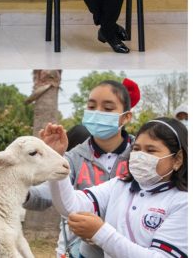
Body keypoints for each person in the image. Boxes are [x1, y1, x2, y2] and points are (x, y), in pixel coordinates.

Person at [25, 78, 140, 256]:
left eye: (108, 109)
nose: (98, 113)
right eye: (92, 107)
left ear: (126, 116)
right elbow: (48, 193)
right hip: (78, 250)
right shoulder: (72, 159)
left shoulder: (140, 158)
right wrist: (20, 190)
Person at [40, 117, 186, 257]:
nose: (141, 156)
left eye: (151, 150)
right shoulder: (119, 186)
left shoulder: (183, 202)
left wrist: (100, 233)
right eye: (136, 149)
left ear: (177, 159)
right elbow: (70, 207)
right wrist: (55, 159)